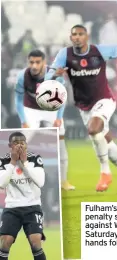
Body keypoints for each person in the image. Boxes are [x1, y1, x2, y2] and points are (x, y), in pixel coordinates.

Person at [46, 24, 117, 193]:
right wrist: (54, 74)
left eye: (81, 34)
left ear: (86, 36)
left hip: (104, 100)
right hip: (84, 106)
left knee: (94, 130)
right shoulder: (64, 55)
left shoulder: (100, 51)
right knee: (104, 139)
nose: (77, 37)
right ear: (71, 37)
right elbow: (47, 76)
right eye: (74, 35)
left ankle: (105, 172)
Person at [15, 50, 74, 191]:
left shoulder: (56, 75)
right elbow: (17, 101)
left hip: (51, 110)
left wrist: (59, 118)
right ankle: (18, 177)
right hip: (31, 110)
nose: (34, 66)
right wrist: (23, 120)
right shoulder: (22, 76)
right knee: (23, 141)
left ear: (44, 62)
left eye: (37, 62)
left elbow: (62, 98)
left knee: (61, 143)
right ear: (28, 62)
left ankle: (63, 181)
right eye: (31, 62)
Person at [0, 132, 47, 260]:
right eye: (16, 143)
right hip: (12, 207)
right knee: (5, 241)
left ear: (26, 144)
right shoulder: (3, 161)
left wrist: (25, 163)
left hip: (32, 206)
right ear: (10, 146)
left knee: (36, 241)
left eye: (22, 143)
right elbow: (2, 184)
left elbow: (40, 182)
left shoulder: (35, 159)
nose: (20, 145)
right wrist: (13, 162)